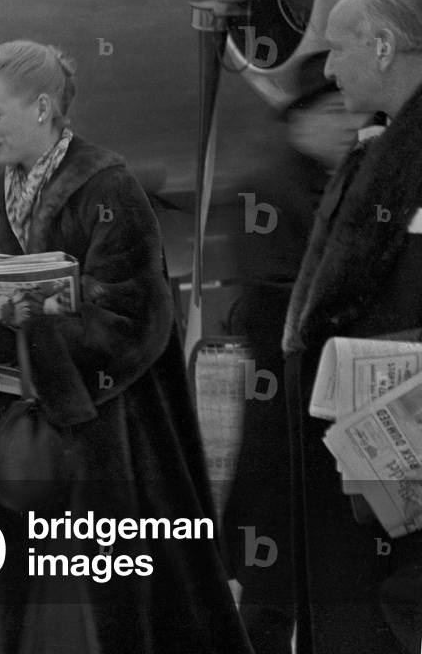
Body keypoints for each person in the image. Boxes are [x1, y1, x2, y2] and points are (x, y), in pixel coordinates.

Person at [0, 40, 253, 654]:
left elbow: (136, 320)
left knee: (107, 617)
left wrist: (34, 335)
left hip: (113, 446)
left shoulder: (109, 186)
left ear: (43, 108)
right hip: (22, 449)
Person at [282, 0, 422, 654]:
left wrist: (389, 381)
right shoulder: (379, 150)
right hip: (367, 454)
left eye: (340, 48)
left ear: (385, 45)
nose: (329, 67)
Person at [220, 57, 367, 654]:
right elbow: (274, 300)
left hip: (336, 414)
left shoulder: (358, 185)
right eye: (333, 112)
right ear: (297, 122)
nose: (349, 125)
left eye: (353, 111)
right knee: (276, 581)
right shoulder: (266, 193)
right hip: (288, 411)